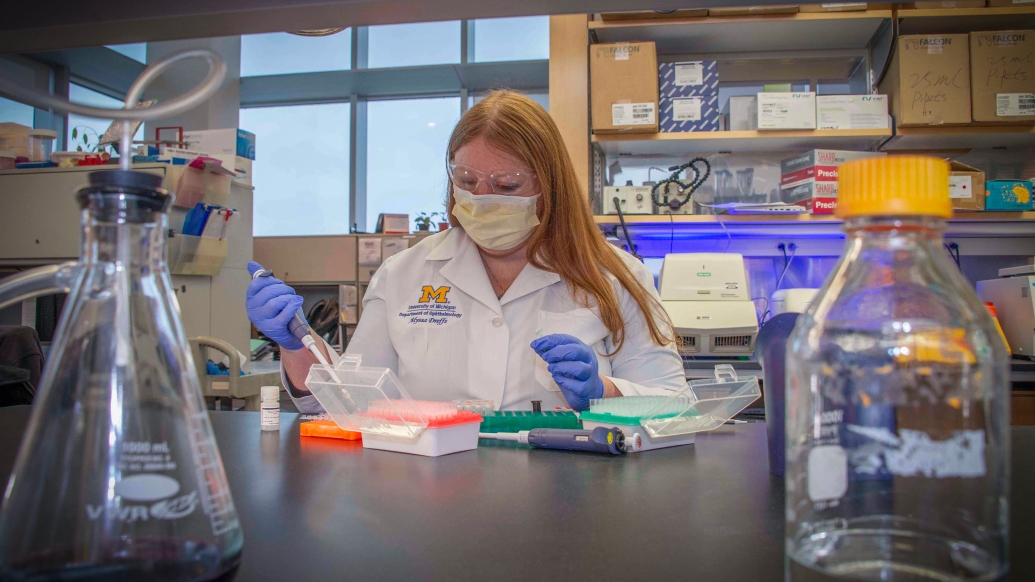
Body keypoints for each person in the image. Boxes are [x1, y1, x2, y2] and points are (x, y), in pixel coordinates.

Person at [247, 90, 685, 414]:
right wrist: (295, 342)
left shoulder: (616, 275)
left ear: (548, 184)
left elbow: (676, 405)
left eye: (507, 185)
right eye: (468, 181)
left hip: (565, 504)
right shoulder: (405, 274)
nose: (482, 198)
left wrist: (604, 392)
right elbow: (350, 405)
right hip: (430, 501)